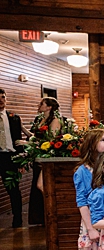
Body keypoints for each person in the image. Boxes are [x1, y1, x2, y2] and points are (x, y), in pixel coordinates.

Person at [29, 96, 63, 225]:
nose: (39, 106)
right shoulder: (40, 120)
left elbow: (51, 140)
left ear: (49, 107)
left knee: (41, 185)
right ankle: (40, 217)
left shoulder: (54, 121)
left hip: (46, 155)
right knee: (37, 185)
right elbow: (35, 136)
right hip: (39, 155)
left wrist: (33, 143)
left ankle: (50, 213)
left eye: (42, 104)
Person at [0, 88, 25, 227]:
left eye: (3, 97)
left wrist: (20, 161)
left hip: (10, 156)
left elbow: (18, 139)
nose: (0, 100)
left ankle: (18, 218)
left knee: (13, 189)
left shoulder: (13, 117)